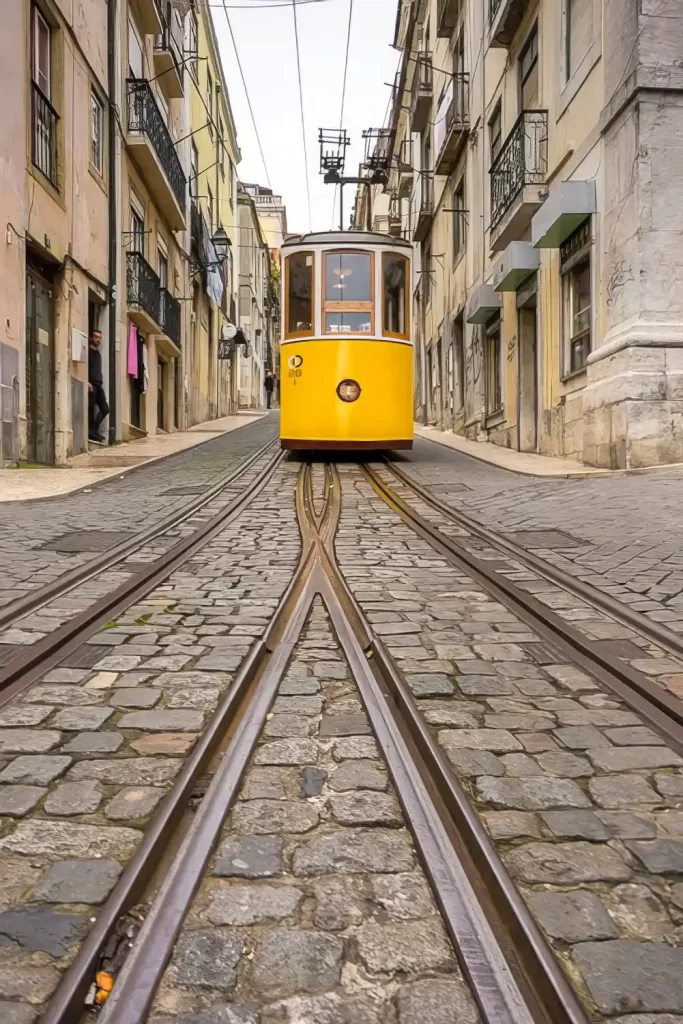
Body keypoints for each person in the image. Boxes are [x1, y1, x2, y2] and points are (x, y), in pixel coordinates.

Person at [88, 329, 109, 443]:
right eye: (96, 337)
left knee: (105, 409)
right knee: (90, 410)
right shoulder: (88, 353)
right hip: (91, 385)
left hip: (98, 385)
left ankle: (94, 430)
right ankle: (91, 432)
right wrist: (87, 382)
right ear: (91, 338)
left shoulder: (98, 353)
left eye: (100, 338)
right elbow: (84, 367)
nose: (98, 339)